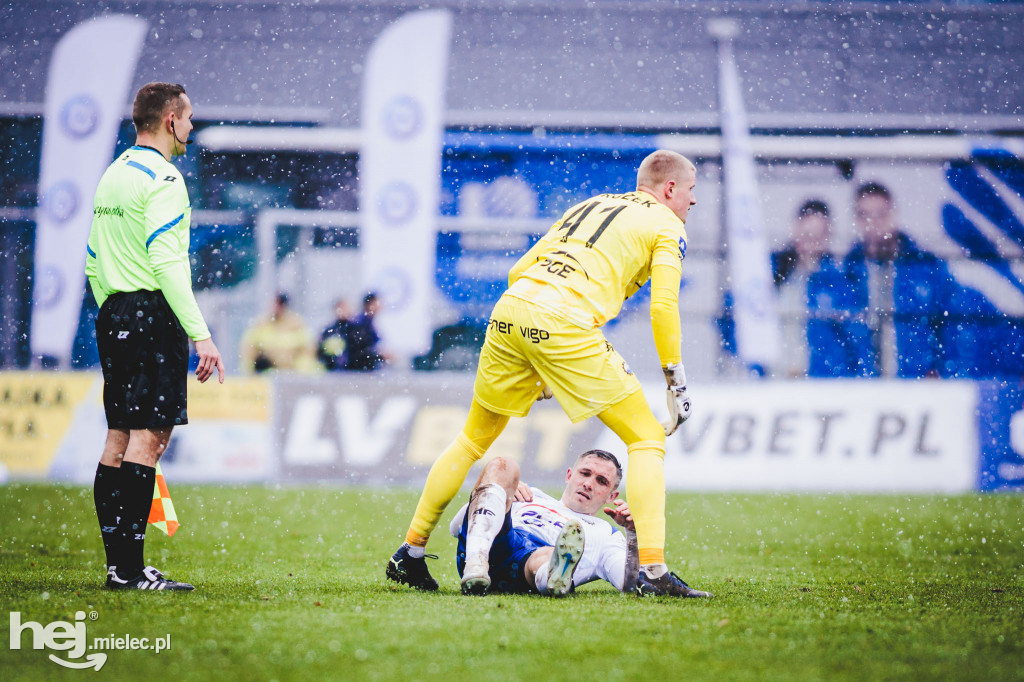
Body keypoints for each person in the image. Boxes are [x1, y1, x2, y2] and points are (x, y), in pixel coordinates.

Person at [386, 149, 699, 597]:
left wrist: (541, 359)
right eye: (691, 192)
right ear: (670, 189)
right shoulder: (668, 224)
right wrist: (675, 377)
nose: (692, 202)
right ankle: (653, 573)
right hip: (563, 320)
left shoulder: (590, 204)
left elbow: (519, 270)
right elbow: (664, 305)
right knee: (647, 437)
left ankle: (409, 552)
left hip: (511, 310)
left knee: (472, 439)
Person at [85, 82, 224, 591]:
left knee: (118, 437)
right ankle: (129, 570)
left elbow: (94, 259)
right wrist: (200, 335)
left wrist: (114, 312)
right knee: (149, 439)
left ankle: (117, 565)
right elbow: (168, 263)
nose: (191, 127)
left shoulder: (114, 174)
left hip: (116, 311)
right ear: (170, 120)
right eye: (188, 118)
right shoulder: (164, 178)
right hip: (150, 312)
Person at [452, 450, 712, 598]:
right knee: (503, 464)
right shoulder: (531, 494)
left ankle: (554, 575)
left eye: (601, 481)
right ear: (569, 475)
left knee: (545, 555)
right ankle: (476, 565)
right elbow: (456, 526)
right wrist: (501, 494)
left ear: (612, 496)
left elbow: (628, 584)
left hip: (525, 568)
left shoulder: (607, 534)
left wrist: (632, 535)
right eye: (585, 473)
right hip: (493, 544)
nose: (589, 483)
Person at [838, 182, 951, 377]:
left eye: (881, 214)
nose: (875, 223)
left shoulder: (926, 269)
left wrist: (940, 370)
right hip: (863, 392)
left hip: (918, 387)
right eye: (866, 216)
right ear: (857, 221)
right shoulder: (847, 274)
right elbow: (841, 341)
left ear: (893, 214)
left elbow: (950, 325)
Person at [771, 200, 851, 378]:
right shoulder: (771, 273)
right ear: (795, 229)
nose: (811, 242)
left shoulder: (838, 283)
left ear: (828, 236)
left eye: (818, 235)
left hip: (819, 385)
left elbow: (855, 339)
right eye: (807, 234)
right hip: (772, 380)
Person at [239, 292, 319, 373]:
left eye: (277, 305)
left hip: (291, 373)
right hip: (267, 372)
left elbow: (307, 349)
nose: (274, 308)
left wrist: (301, 370)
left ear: (284, 307)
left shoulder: (297, 324)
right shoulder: (261, 323)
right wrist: (250, 368)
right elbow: (249, 347)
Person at [344, 292, 390, 371]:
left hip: (365, 368)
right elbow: (359, 351)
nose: (380, 307)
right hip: (357, 370)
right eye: (377, 303)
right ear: (370, 305)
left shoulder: (369, 322)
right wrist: (380, 355)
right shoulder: (360, 324)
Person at [318, 298, 353, 371]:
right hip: (333, 371)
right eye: (340, 308)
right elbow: (320, 351)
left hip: (353, 370)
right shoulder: (329, 330)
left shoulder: (355, 329)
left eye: (344, 308)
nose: (342, 311)